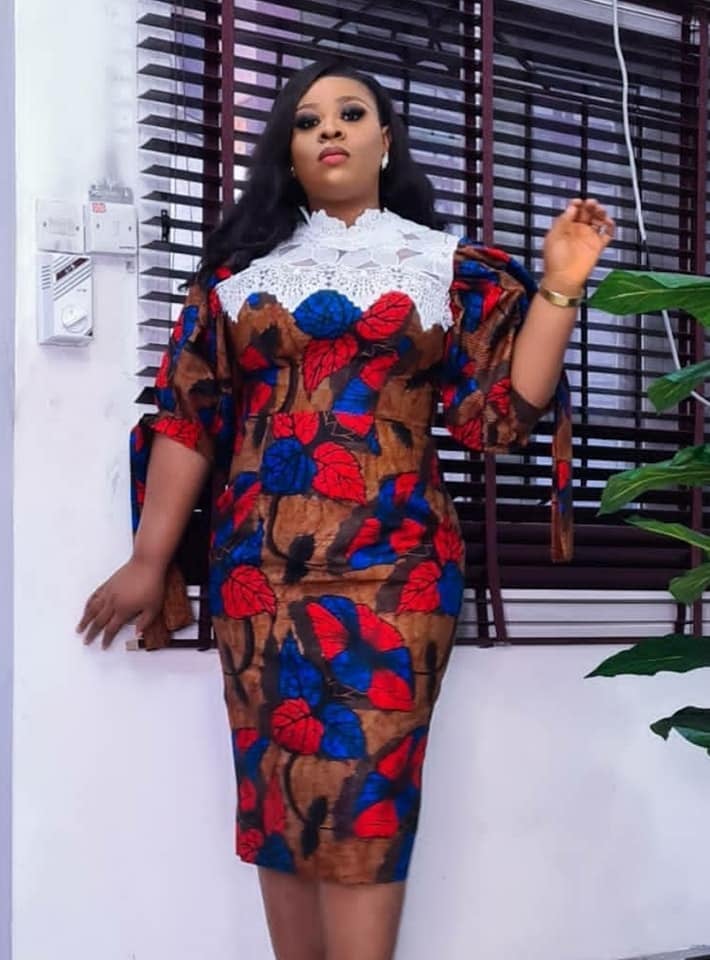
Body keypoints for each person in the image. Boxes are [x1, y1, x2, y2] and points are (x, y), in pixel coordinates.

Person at [76, 56, 614, 960]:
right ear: (288, 153)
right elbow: (189, 418)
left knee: (369, 801)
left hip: (397, 571)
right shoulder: (238, 279)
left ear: (385, 140)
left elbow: (497, 418)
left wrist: (561, 286)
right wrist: (148, 559)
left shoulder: (445, 267)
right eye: (307, 119)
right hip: (257, 576)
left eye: (351, 113)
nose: (329, 128)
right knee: (277, 796)